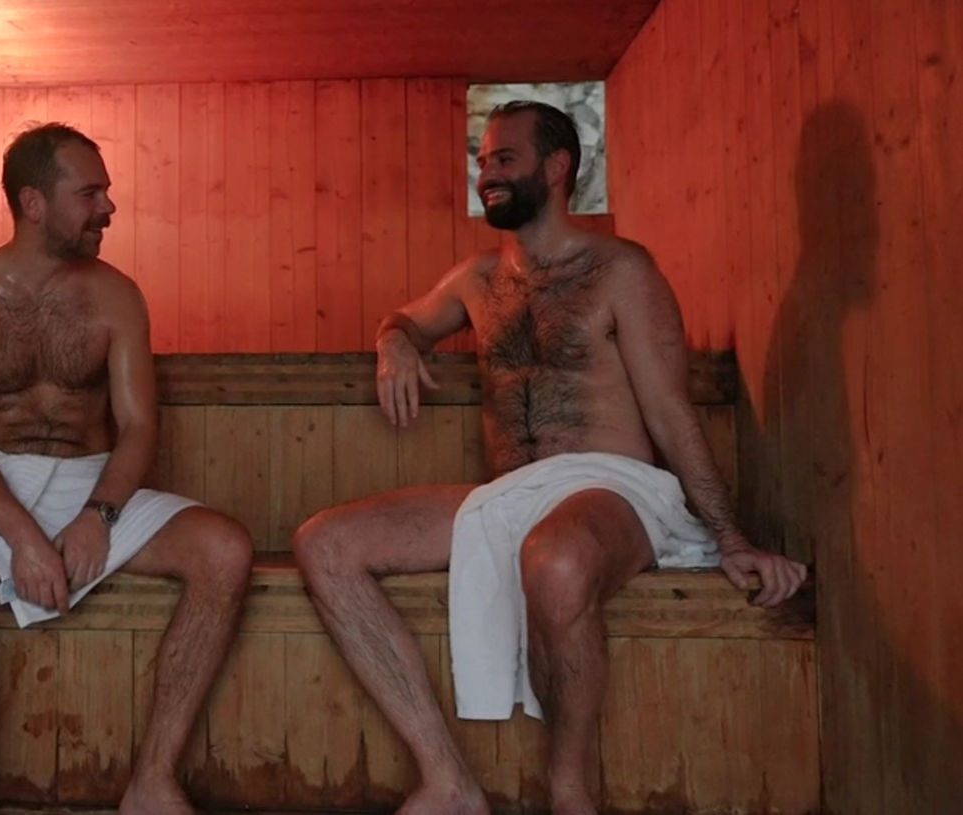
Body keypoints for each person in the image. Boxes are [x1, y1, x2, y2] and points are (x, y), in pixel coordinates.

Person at [291, 101, 808, 815]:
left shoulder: (622, 270)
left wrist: (729, 535)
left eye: (504, 159)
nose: (487, 175)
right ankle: (448, 779)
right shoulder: (477, 279)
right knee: (326, 542)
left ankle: (569, 792)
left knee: (555, 560)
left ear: (557, 168)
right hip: (510, 493)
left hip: (615, 484)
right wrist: (394, 343)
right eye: (481, 162)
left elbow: (669, 411)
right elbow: (406, 317)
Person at [0, 123, 253, 815]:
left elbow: (140, 425)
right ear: (32, 202)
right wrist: (23, 537)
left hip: (94, 480)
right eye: (90, 193)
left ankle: (152, 781)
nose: (108, 207)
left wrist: (100, 516)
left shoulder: (117, 296)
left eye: (106, 191)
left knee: (225, 549)